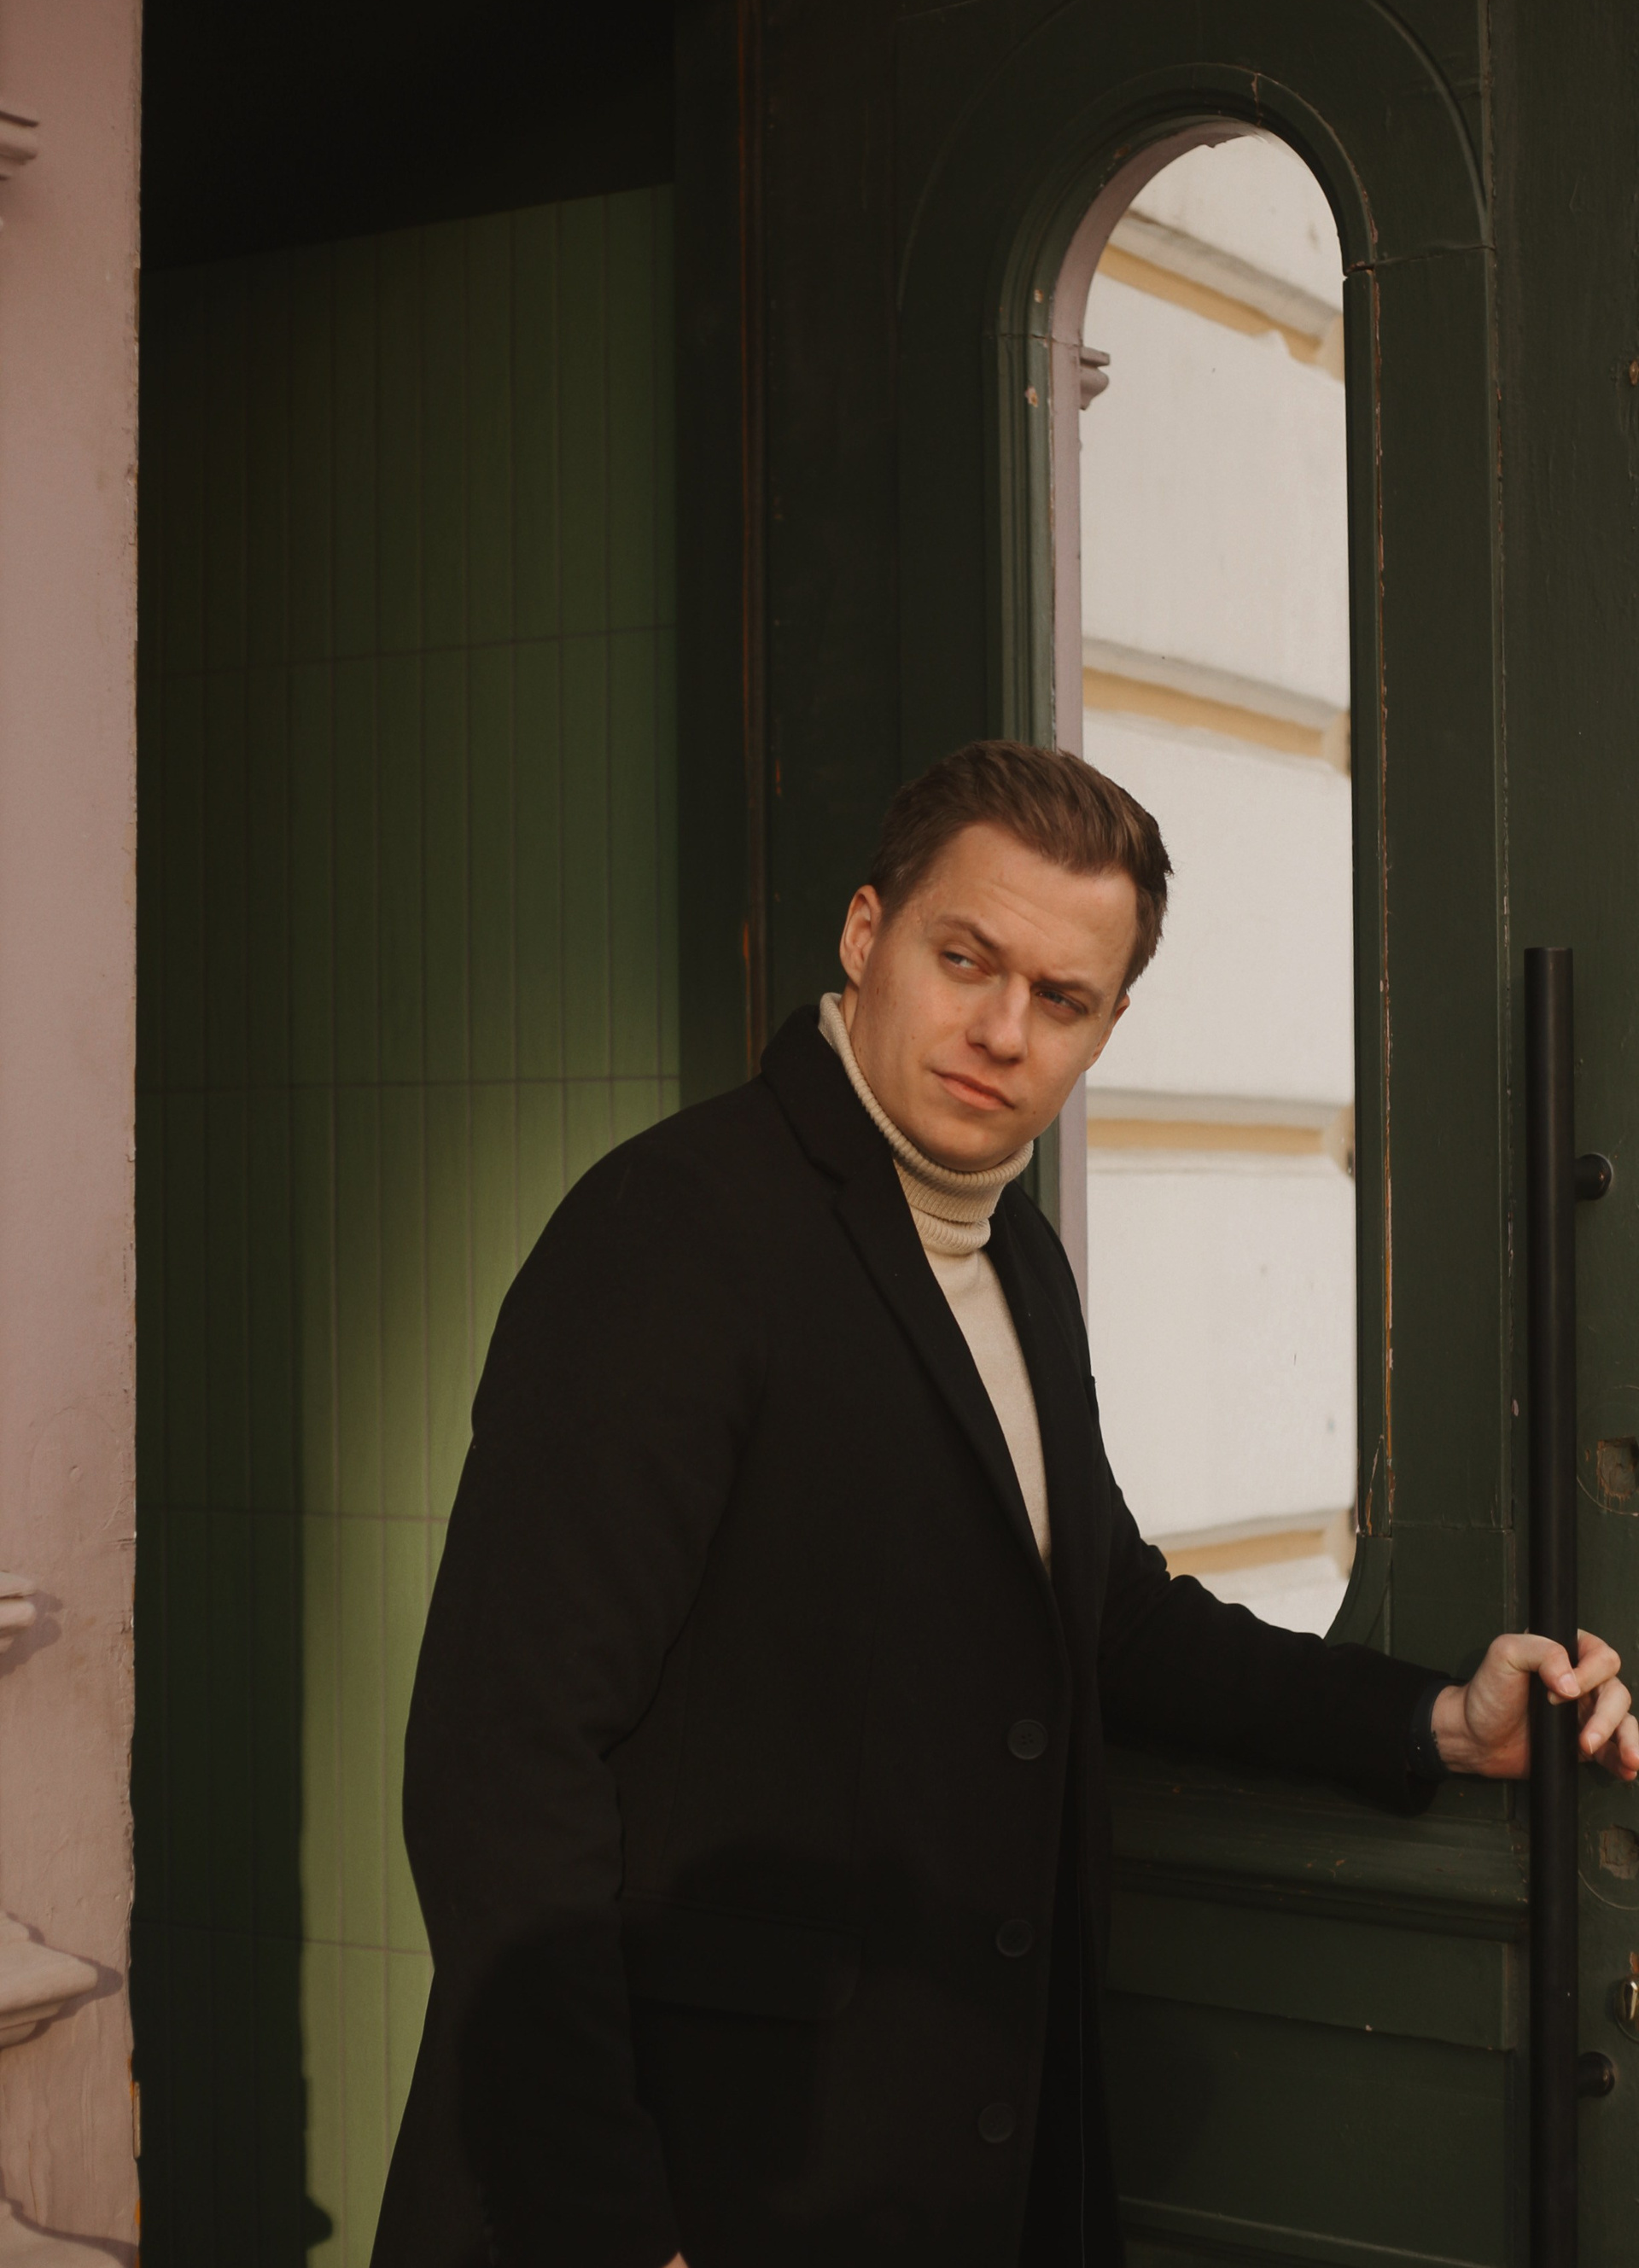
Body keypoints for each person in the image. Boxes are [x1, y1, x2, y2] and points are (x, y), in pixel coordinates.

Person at [372, 740, 1638, 2268]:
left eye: (1061, 998)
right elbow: (502, 1767)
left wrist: (1440, 1721)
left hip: (940, 2170)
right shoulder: (674, 1232)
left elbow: (1103, 1616)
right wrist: (610, 2233)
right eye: (964, 959)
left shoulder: (1015, 1254)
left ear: (1109, 1025)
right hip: (689, 2186)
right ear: (866, 935)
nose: (1000, 1032)